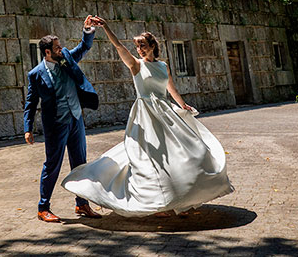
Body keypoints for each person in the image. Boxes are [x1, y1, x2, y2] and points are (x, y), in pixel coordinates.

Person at [62, 17, 234, 217]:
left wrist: (182, 105)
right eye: (137, 47)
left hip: (166, 114)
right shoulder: (136, 65)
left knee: (183, 155)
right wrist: (106, 27)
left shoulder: (163, 66)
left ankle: (181, 199)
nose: (139, 50)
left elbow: (171, 89)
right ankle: (155, 203)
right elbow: (118, 46)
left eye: (143, 45)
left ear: (153, 46)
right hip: (145, 116)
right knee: (150, 160)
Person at [23, 16, 104, 222]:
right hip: (56, 125)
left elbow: (84, 47)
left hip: (76, 120)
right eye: (58, 47)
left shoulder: (67, 58)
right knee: (52, 166)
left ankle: (82, 204)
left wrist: (87, 30)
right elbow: (31, 103)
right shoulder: (36, 74)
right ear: (47, 52)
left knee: (80, 164)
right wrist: (28, 128)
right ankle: (43, 208)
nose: (62, 49)